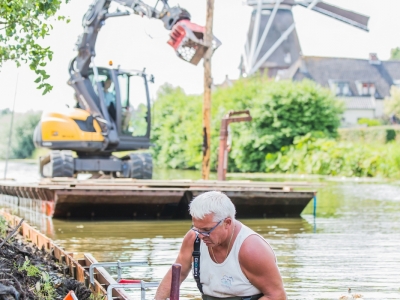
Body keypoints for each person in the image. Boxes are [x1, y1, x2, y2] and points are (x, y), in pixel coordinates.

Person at [154, 191, 286, 300]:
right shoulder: (193, 238)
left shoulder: (251, 249)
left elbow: (277, 296)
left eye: (206, 230)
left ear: (227, 223)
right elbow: (177, 275)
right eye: (196, 228)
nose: (200, 235)